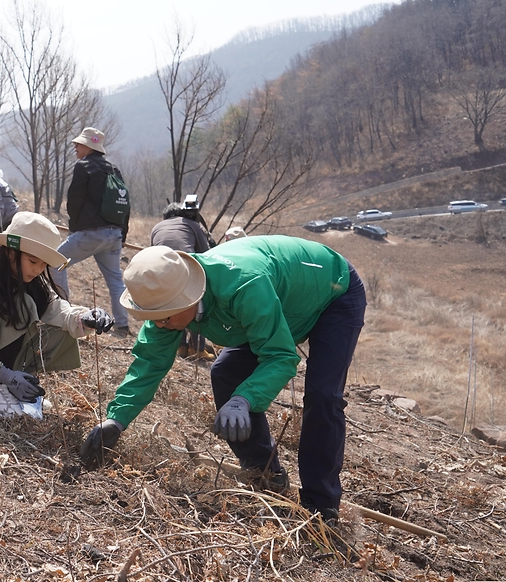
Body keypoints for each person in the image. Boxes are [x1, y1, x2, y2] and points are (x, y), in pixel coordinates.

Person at [80, 236, 366, 523]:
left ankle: (321, 506)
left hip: (332, 291)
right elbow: (149, 364)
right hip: (276, 304)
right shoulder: (165, 303)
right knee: (225, 372)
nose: (159, 325)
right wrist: (116, 419)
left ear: (189, 297)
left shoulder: (242, 287)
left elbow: (280, 357)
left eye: (165, 318)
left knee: (323, 395)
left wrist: (244, 399)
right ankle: (264, 475)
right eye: (153, 318)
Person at [0, 212, 115, 418]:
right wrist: (5, 376)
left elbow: (57, 310)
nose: (38, 270)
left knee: (61, 326)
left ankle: (18, 383)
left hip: (7, 369)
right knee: (23, 306)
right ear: (11, 253)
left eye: (44, 264)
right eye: (33, 261)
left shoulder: (32, 282)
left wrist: (85, 317)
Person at [50, 127, 130, 338]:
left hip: (90, 234)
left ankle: (64, 315)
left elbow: (74, 201)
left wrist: (74, 228)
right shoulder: (113, 169)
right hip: (114, 235)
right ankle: (122, 325)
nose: (75, 146)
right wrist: (123, 234)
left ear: (89, 147)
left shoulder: (83, 167)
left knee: (55, 263)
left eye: (79, 144)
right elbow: (125, 203)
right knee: (115, 280)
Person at [149, 199, 214, 358]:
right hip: (186, 268)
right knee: (196, 302)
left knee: (173, 305)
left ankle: (181, 347)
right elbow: (205, 254)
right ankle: (197, 349)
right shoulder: (192, 225)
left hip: (161, 271)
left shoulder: (156, 227)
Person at [150, 197, 214, 254]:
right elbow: (205, 253)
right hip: (184, 261)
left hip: (160, 260)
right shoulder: (194, 225)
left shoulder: (156, 228)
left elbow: (152, 253)